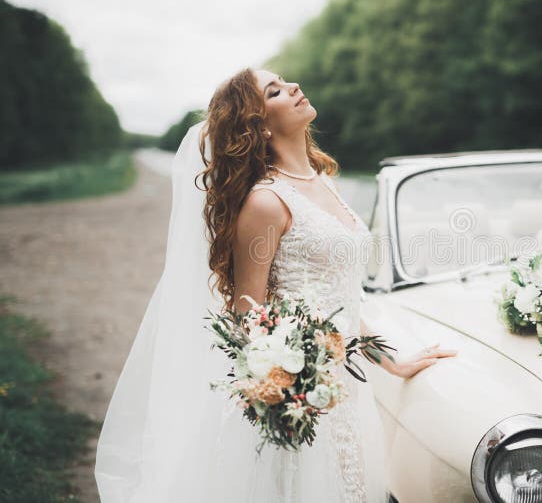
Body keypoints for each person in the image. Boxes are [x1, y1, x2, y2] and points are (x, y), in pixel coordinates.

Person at [94, 67, 457, 502]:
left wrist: (391, 361)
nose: (294, 87)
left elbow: (341, 302)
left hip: (344, 388)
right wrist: (289, 384)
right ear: (259, 125)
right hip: (301, 397)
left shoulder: (323, 182)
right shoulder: (266, 202)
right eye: (275, 91)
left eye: (285, 82)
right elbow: (246, 315)